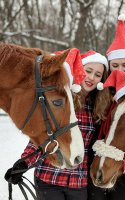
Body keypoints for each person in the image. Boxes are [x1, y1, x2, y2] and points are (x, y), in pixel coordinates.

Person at [4, 49, 111, 200]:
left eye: (98, 75)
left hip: (78, 182)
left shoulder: (98, 109)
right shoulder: (61, 100)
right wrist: (23, 164)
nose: (92, 77)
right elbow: (42, 136)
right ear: (80, 70)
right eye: (88, 71)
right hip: (49, 178)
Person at [88, 14, 125, 200]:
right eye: (115, 65)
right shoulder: (98, 92)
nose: (120, 70)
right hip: (97, 166)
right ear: (109, 67)